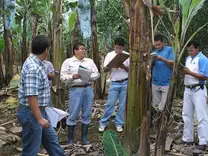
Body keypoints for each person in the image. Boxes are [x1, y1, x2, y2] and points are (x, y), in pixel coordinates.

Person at [17, 35, 65, 156]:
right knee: (31, 150)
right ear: (46, 50)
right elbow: (31, 95)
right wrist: (39, 118)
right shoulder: (33, 67)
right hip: (32, 114)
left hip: (40, 111)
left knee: (52, 142)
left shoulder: (39, 64)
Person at [60, 43, 100, 145]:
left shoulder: (89, 61)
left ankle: (84, 138)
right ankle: (70, 139)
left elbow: (97, 74)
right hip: (75, 90)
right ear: (75, 50)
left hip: (87, 89)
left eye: (84, 49)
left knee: (87, 113)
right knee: (73, 114)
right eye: (81, 49)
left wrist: (88, 76)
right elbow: (62, 76)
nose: (83, 51)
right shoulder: (68, 62)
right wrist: (72, 77)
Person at [99, 38, 129, 133]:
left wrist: (123, 66)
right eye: (117, 48)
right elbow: (104, 69)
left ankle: (119, 123)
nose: (118, 50)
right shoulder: (109, 55)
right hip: (114, 83)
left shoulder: (127, 55)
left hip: (125, 82)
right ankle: (103, 123)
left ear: (123, 47)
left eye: (120, 48)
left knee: (122, 105)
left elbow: (131, 70)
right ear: (114, 46)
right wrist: (112, 65)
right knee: (110, 104)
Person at [182, 41, 208, 150]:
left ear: (198, 48)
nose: (190, 52)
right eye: (189, 50)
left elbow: (205, 76)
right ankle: (187, 138)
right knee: (186, 114)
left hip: (198, 89)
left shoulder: (203, 59)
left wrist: (189, 73)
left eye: (192, 50)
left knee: (201, 116)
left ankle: (203, 141)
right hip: (188, 89)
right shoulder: (188, 59)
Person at [151, 35, 174, 113]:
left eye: (159, 44)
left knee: (163, 107)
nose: (157, 46)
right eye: (156, 45)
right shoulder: (154, 53)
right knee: (155, 106)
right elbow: (151, 66)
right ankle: (156, 123)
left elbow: (173, 63)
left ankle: (163, 122)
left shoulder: (169, 50)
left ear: (163, 43)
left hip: (166, 83)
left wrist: (161, 59)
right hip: (155, 82)